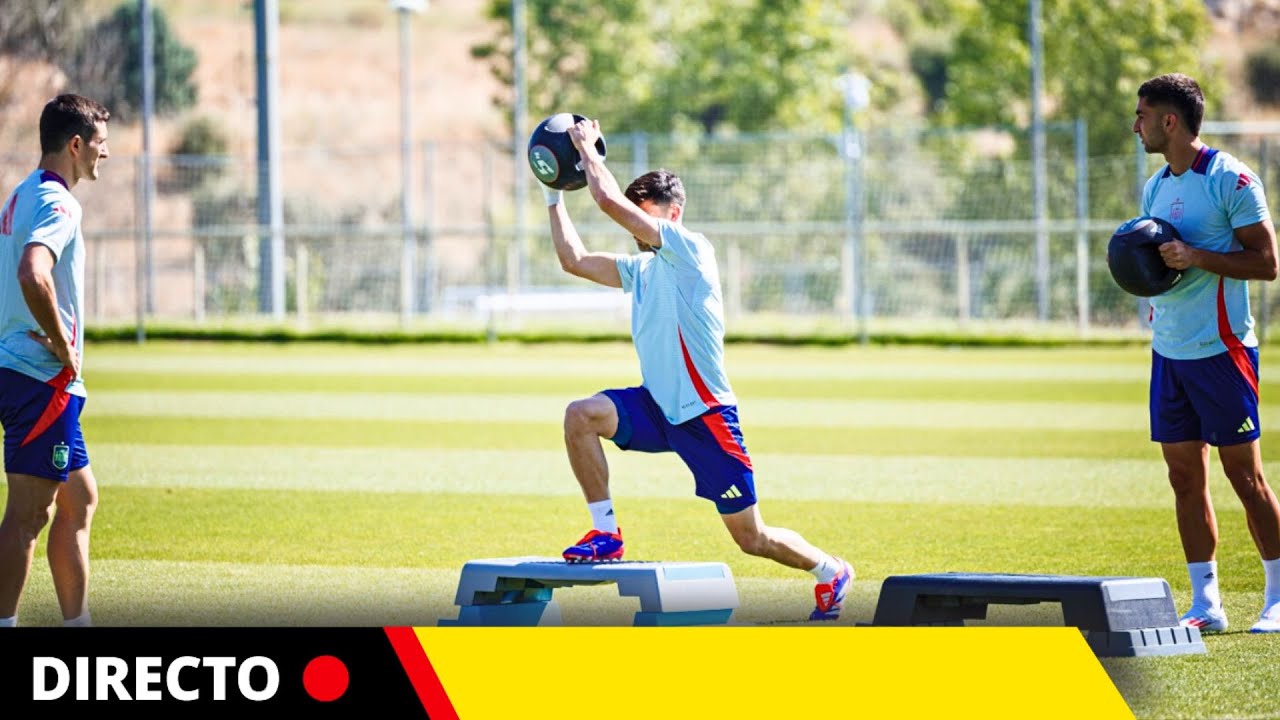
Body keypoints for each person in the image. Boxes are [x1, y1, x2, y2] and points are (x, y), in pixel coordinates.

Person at [541, 117, 854, 621]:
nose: (638, 226)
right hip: (656, 405)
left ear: (673, 214)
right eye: (637, 214)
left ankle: (829, 571)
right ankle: (605, 531)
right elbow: (573, 260)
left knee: (752, 538)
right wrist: (554, 193)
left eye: (647, 215)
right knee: (581, 415)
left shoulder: (691, 250)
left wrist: (586, 153)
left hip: (706, 416)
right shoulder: (639, 269)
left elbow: (605, 202)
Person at [1134, 73, 1280, 633]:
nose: (1136, 124)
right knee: (1182, 478)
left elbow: (1267, 263)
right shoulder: (1155, 186)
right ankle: (1207, 605)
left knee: (1246, 477)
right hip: (1168, 353)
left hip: (1222, 352)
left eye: (1143, 114)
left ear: (1170, 121)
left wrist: (1193, 255)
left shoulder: (1232, 179)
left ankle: (1275, 595)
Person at [0, 93, 110, 628]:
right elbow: (31, 271)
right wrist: (63, 345)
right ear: (74, 144)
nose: (103, 155)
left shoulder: (21, 195)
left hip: (27, 373)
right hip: (40, 378)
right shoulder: (60, 203)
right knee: (27, 516)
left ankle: (77, 623)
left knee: (79, 499)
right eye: (100, 143)